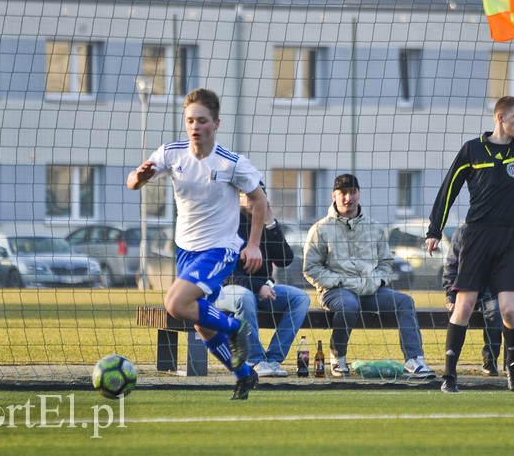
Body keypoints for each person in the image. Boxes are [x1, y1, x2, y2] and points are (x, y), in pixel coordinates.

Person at [426, 34, 514, 393]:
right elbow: (449, 187)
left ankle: (513, 370)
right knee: (463, 306)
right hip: (477, 236)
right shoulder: (473, 150)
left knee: (510, 310)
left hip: (510, 237)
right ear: (500, 117)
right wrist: (435, 229)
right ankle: (449, 377)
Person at [127, 87, 266, 400]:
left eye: (201, 120)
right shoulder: (171, 153)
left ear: (216, 123)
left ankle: (234, 326)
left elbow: (259, 200)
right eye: (190, 120)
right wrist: (139, 176)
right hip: (185, 251)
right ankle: (245, 376)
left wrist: (253, 244)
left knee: (175, 304)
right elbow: (133, 183)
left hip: (220, 249)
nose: (194, 126)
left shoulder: (232, 163)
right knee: (201, 323)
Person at [303, 173, 435, 379]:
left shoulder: (375, 228)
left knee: (405, 302)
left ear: (359, 194)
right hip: (336, 291)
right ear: (334, 196)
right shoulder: (320, 229)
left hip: (370, 289)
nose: (348, 198)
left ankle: (414, 359)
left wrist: (377, 281)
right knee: (349, 306)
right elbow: (311, 268)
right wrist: (339, 282)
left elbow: (386, 263)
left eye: (353, 192)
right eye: (343, 193)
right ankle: (338, 356)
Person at [443, 220, 514, 377]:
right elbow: (452, 263)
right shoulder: (466, 229)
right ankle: (490, 359)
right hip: (489, 292)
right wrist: (451, 295)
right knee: (495, 310)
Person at [216, 193, 311, 378]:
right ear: (239, 198)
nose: (255, 200)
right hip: (225, 291)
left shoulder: (265, 225)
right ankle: (255, 360)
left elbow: (285, 259)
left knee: (300, 298)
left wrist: (271, 224)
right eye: (249, 196)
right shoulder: (228, 224)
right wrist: (257, 287)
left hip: (261, 290)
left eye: (259, 196)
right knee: (245, 296)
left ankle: (273, 359)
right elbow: (224, 274)